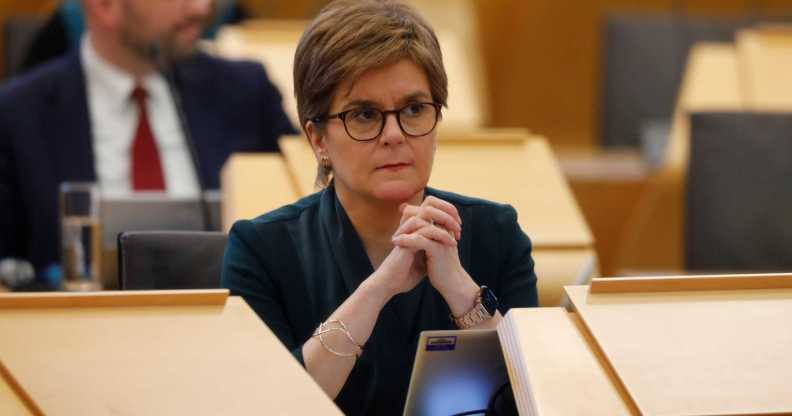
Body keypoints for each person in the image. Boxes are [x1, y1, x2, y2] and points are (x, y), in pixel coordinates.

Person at [221, 1, 538, 414]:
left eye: (413, 109)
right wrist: (377, 289)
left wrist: (463, 294)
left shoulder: (497, 233)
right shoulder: (261, 249)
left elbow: (534, 398)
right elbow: (267, 407)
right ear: (318, 139)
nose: (394, 134)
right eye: (365, 115)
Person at [0, 0, 294, 286]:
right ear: (105, 6)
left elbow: (309, 219)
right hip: (77, 327)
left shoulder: (247, 92)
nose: (201, 9)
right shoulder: (17, 115)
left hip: (230, 320)